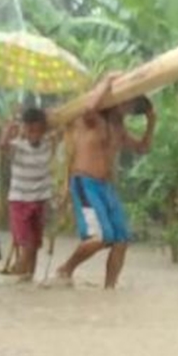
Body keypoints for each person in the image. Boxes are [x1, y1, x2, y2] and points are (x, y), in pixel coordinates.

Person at [53, 72, 156, 289]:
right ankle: (65, 269)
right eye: (126, 102)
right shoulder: (92, 119)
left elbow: (143, 148)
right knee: (98, 238)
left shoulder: (119, 128)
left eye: (132, 105)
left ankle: (109, 289)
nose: (128, 108)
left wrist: (151, 121)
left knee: (121, 240)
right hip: (85, 183)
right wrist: (107, 82)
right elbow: (90, 108)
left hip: (106, 187)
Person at [0, 107, 56, 282]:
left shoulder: (49, 142)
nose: (35, 135)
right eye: (31, 130)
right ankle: (17, 277)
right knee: (28, 244)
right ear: (24, 128)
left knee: (35, 245)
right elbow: (2, 146)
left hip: (41, 201)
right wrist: (9, 127)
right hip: (20, 202)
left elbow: (61, 125)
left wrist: (51, 116)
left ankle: (27, 279)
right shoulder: (17, 147)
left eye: (39, 130)